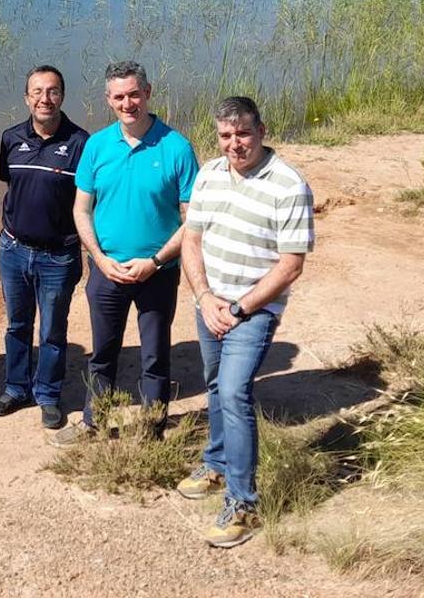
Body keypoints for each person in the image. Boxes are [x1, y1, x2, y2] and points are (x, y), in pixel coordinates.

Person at [177, 96, 314, 548]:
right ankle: (216, 464)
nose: (235, 144)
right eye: (226, 135)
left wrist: (238, 309)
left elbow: (290, 265)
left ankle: (243, 503)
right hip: (210, 302)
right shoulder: (209, 174)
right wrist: (204, 296)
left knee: (234, 391)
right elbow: (192, 240)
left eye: (244, 134)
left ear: (262, 130)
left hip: (253, 310)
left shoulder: (289, 184)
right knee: (214, 383)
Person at [53, 60, 199, 446]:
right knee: (102, 353)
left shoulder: (176, 147)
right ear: (108, 100)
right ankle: (95, 423)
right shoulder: (97, 146)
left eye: (134, 94)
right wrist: (100, 259)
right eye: (119, 96)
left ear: (148, 93)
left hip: (158, 272)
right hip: (106, 270)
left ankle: (152, 430)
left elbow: (192, 219)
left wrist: (154, 262)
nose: (128, 103)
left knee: (155, 355)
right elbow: (81, 210)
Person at [0, 65, 89, 430]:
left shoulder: (80, 142)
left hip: (58, 256)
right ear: (26, 97)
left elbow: (87, 201)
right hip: (13, 249)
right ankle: (16, 388)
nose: (44, 99)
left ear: (62, 96)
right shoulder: (10, 138)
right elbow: (11, 184)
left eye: (52, 92)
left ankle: (47, 394)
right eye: (37, 92)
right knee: (17, 325)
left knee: (51, 330)